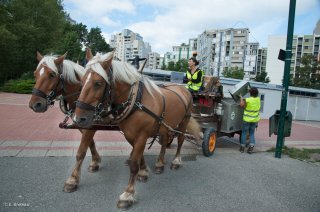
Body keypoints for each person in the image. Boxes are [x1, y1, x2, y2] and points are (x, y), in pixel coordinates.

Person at [239, 87, 261, 154]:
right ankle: (251, 147)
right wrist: (250, 90)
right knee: (251, 133)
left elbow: (241, 105)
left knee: (244, 133)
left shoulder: (248, 100)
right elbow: (254, 93)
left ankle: (242, 148)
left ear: (250, 93)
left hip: (247, 119)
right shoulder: (258, 99)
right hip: (254, 119)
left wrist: (241, 98)